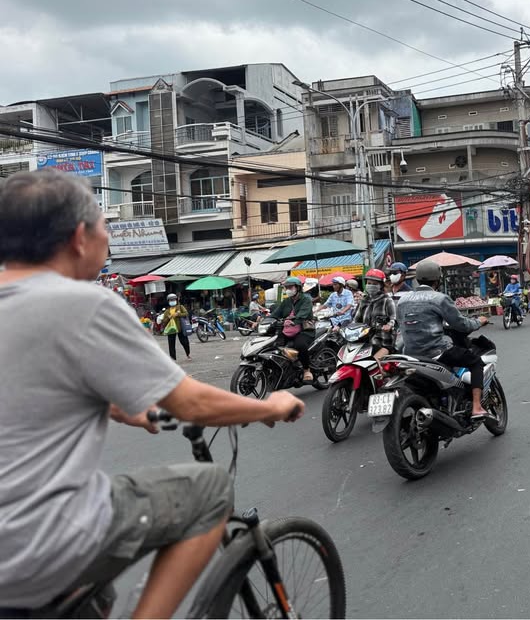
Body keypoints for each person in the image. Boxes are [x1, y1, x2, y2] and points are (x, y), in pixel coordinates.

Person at [0, 170, 304, 618]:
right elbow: (192, 404)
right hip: (34, 543)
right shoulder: (86, 304)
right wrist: (268, 407)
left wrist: (110, 406)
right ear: (79, 238)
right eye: (104, 226)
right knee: (212, 488)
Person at [395, 260, 491, 420]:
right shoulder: (439, 298)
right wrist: (479, 321)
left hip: (410, 354)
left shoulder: (403, 300)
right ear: (438, 280)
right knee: (476, 362)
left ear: (417, 279)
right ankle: (476, 406)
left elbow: (402, 324)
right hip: (436, 352)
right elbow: (461, 325)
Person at [269, 276, 317, 384]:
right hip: (287, 329)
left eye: (290, 287)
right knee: (274, 344)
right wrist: (264, 320)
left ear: (298, 288)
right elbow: (276, 313)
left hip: (304, 330)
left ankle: (306, 370)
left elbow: (302, 314)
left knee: (300, 345)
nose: (288, 289)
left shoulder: (306, 300)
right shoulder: (286, 301)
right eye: (287, 287)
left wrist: (293, 321)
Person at [353, 269, 397, 359]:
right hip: (364, 341)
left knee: (375, 363)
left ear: (381, 285)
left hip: (383, 341)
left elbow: (394, 318)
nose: (371, 286)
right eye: (369, 283)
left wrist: (389, 325)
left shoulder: (387, 300)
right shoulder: (363, 300)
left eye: (374, 284)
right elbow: (356, 320)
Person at [159, 293, 191, 362]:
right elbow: (164, 321)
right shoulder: (167, 311)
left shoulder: (180, 307)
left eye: (173, 300)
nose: (172, 301)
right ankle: (173, 358)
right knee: (171, 344)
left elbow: (186, 314)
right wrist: (168, 317)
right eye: (170, 300)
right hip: (171, 329)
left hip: (180, 328)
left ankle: (188, 354)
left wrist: (178, 314)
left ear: (176, 300)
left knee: (185, 342)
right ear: (168, 301)